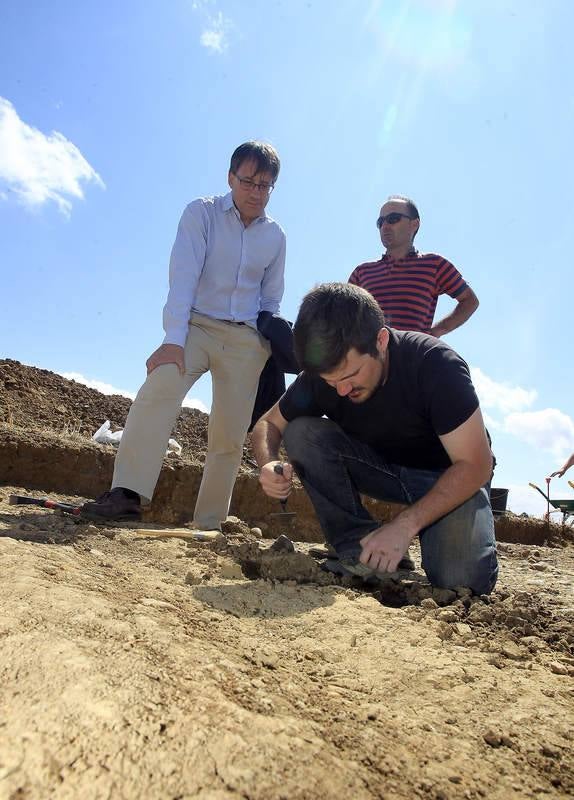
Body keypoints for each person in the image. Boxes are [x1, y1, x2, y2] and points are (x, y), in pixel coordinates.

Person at [84, 141, 286, 531]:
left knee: (228, 435)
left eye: (265, 185)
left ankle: (209, 524)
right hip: (194, 327)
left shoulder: (276, 237)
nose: (256, 193)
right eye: (248, 182)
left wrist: (269, 343)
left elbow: (271, 296)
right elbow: (183, 278)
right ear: (230, 178)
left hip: (245, 342)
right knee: (158, 390)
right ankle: (127, 494)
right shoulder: (201, 213)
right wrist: (173, 339)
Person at [251, 282, 498, 595]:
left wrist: (405, 525)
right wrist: (268, 461)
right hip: (383, 470)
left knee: (460, 582)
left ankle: (442, 536)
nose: (341, 390)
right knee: (303, 432)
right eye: (331, 381)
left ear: (380, 340)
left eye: (351, 375)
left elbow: (477, 465)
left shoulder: (436, 365)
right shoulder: (324, 376)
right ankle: (359, 550)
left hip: (448, 478)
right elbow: (267, 424)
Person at [348, 195, 479, 337]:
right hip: (368, 356)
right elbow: (343, 315)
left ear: (414, 224)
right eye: (380, 222)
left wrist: (435, 332)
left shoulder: (435, 265)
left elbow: (470, 301)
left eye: (393, 219)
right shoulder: (361, 272)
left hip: (412, 357)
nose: (385, 226)